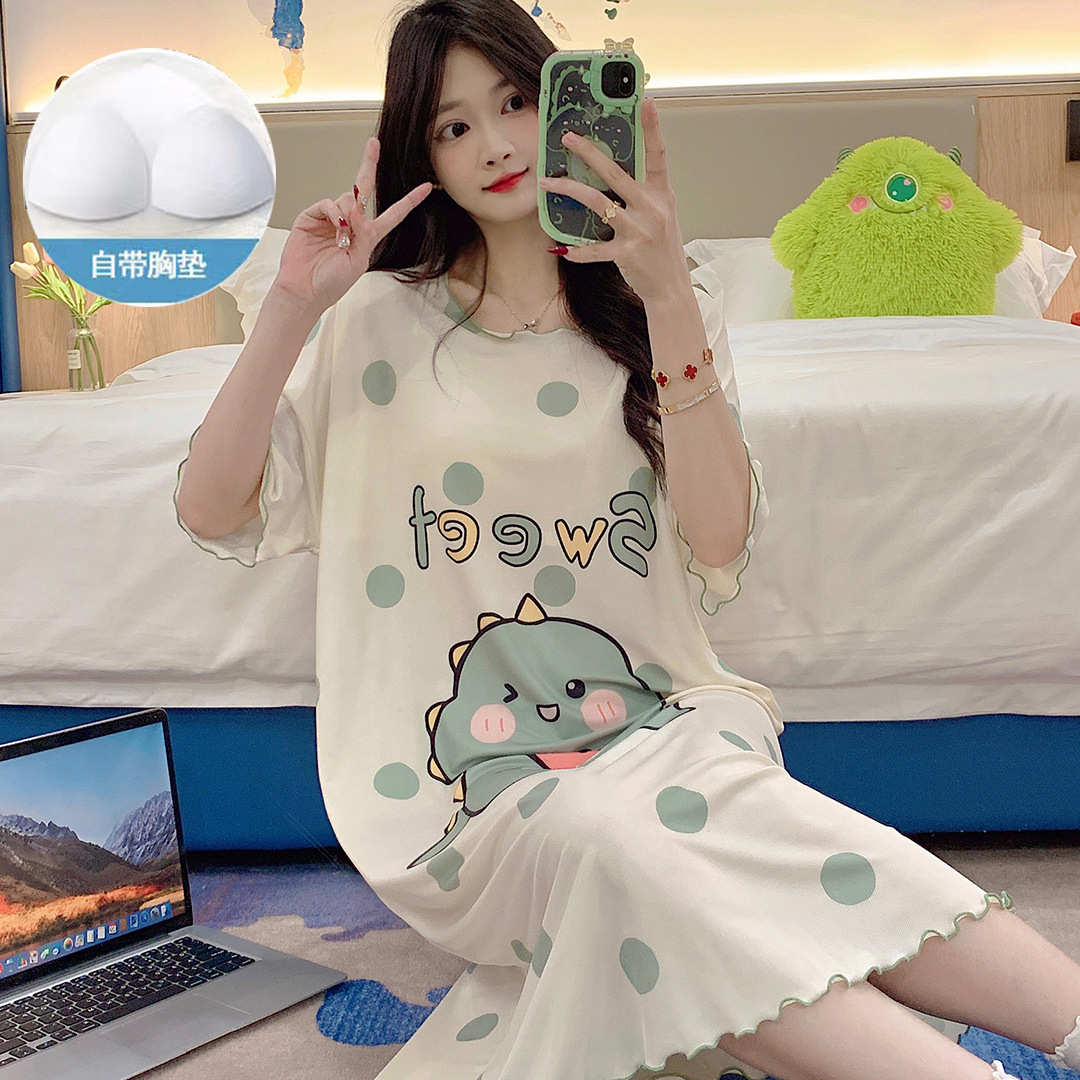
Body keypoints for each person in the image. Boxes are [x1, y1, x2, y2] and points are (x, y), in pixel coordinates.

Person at [175, 1, 1080, 1078]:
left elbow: (719, 537)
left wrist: (665, 299)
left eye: (516, 101)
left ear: (564, 106)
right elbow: (211, 508)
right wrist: (292, 310)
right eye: (454, 126)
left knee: (733, 842)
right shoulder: (378, 320)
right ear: (423, 154)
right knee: (618, 844)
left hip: (667, 721)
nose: (496, 143)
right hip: (465, 788)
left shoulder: (665, 302)